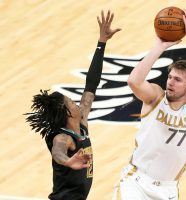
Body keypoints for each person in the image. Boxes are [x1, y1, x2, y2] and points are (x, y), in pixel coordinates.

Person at [113, 10, 186, 200]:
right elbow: (134, 81)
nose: (170, 82)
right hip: (136, 182)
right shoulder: (156, 98)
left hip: (167, 190)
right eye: (169, 77)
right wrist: (159, 47)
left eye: (177, 80)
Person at [25, 10, 120, 200]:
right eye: (72, 102)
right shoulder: (64, 138)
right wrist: (68, 162)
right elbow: (57, 152)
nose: (78, 103)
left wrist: (101, 43)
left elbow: (91, 84)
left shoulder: (82, 123)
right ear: (68, 113)